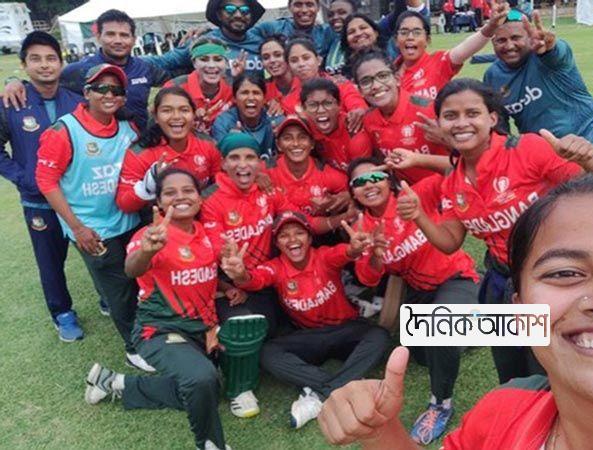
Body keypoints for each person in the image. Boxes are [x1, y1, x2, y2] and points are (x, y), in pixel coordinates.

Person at [317, 173, 593, 449]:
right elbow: (376, 273)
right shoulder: (501, 408)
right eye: (564, 273)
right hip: (438, 289)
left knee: (439, 330)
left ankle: (439, 400)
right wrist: (382, 431)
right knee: (430, 335)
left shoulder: (439, 186)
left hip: (458, 282)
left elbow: (448, 245)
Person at [393, 78, 593, 383]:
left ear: (492, 118)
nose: (461, 123)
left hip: (551, 282)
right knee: (511, 371)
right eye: (450, 116)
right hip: (501, 282)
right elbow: (450, 242)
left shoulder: (527, 149)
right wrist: (419, 216)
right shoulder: (452, 182)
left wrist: (587, 158)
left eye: (472, 113)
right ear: (439, 124)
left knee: (550, 369)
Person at [84, 169, 236, 450]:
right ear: (159, 203)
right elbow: (132, 269)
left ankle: (115, 383)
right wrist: (147, 251)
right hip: (158, 329)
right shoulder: (150, 235)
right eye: (170, 192)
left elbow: (203, 275)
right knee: (200, 379)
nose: (180, 197)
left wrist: (229, 284)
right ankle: (210, 444)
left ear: (199, 198)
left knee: (209, 389)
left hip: (200, 329)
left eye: (188, 190)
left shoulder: (206, 233)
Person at [348, 158, 480, 444]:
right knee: (421, 355)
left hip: (455, 277)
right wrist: (374, 256)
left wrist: (419, 159)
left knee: (440, 330)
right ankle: (474, 323)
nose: (369, 185)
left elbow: (456, 172)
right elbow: (368, 278)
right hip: (420, 292)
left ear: (389, 180)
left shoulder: (414, 194)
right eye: (359, 182)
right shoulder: (362, 229)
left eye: (376, 177)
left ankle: (440, 404)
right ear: (353, 193)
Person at [221, 210, 390, 430]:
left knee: (379, 335)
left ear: (310, 238)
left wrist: (355, 249)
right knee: (267, 353)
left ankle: (319, 395)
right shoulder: (275, 267)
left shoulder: (324, 256)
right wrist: (240, 275)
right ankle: (342, 385)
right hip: (310, 337)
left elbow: (344, 253)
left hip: (345, 329)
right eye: (284, 236)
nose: (292, 239)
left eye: (299, 233)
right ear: (277, 244)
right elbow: (255, 280)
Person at [35, 64, 154, 372]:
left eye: (116, 90)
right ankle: (134, 348)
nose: (109, 94)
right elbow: (46, 181)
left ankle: (151, 334)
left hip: (129, 219)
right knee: (119, 291)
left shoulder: (127, 127)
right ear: (86, 92)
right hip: (93, 229)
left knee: (140, 282)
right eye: (101, 88)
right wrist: (77, 227)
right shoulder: (64, 131)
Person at [201, 133, 355, 338]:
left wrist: (345, 217)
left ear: (259, 163)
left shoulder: (268, 191)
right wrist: (231, 270)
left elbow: (306, 222)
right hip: (235, 282)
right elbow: (215, 248)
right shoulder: (210, 200)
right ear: (223, 163)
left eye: (249, 157)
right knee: (258, 331)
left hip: (271, 275)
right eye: (234, 158)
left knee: (293, 322)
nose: (243, 164)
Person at [0, 32, 84, 341]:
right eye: (35, 59)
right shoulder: (10, 103)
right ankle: (62, 313)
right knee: (50, 262)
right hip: (38, 201)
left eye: (51, 58)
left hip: (76, 198)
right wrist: (23, 177)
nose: (45, 65)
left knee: (95, 250)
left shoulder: (77, 101)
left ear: (61, 63)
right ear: (24, 65)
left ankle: (107, 297)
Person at [3, 9, 170, 131]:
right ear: (98, 37)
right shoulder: (79, 70)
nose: (118, 40)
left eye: (124, 35)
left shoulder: (144, 67)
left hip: (139, 144)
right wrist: (15, 82)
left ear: (133, 39)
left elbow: (172, 82)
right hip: (98, 148)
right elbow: (46, 82)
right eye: (110, 34)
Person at [482, 10, 593, 155]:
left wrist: (550, 47)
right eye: (501, 40)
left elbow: (559, 53)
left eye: (516, 38)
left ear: (529, 37)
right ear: (493, 43)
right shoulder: (492, 75)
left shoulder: (546, 57)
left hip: (583, 140)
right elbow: (500, 124)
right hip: (541, 151)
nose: (509, 46)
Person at [117, 87, 222, 215]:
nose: (176, 116)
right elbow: (124, 204)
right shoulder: (140, 153)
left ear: (194, 115)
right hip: (158, 222)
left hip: (204, 215)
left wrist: (195, 201)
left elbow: (222, 183)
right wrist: (148, 186)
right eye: (167, 110)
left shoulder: (208, 145)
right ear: (155, 117)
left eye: (184, 110)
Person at [352, 50, 449, 184]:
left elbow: (467, 162)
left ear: (397, 79)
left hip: (448, 188)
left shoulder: (429, 111)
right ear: (360, 91)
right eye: (366, 81)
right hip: (409, 191)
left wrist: (447, 139)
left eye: (383, 76)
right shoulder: (368, 120)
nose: (376, 86)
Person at [392, 4, 508, 100]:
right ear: (396, 40)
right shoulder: (388, 73)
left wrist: (491, 26)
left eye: (417, 32)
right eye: (404, 32)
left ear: (427, 40)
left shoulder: (437, 63)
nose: (410, 37)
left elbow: (465, 49)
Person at [144, 0, 267, 77]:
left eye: (245, 10)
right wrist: (132, 61)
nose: (238, 15)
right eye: (230, 9)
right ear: (219, 14)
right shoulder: (204, 41)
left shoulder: (261, 42)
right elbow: (164, 61)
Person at [266, 116, 351, 217]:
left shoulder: (325, 173)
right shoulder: (267, 170)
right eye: (287, 138)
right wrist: (257, 177)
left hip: (320, 226)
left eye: (302, 137)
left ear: (312, 143)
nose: (296, 143)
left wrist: (342, 198)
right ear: (278, 145)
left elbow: (356, 190)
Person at [281, 38, 367, 134]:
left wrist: (358, 111)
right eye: (294, 61)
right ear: (288, 67)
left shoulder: (341, 85)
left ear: (319, 60)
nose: (301, 64)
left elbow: (357, 106)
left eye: (306, 58)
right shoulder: (289, 102)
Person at [326, 0, 428, 76]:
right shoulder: (328, 38)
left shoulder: (387, 48)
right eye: (351, 32)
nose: (335, 17)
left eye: (342, 12)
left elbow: (400, 12)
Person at [164, 38, 236, 134]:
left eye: (218, 59)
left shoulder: (233, 89)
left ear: (226, 63)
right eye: (204, 59)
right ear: (194, 63)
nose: (211, 65)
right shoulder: (174, 88)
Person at [300, 78, 373, 172]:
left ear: (339, 105)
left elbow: (363, 176)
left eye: (328, 103)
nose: (321, 110)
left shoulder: (354, 131)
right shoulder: (304, 131)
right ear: (304, 109)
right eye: (313, 105)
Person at [211, 73, 276, 159]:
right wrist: (228, 143)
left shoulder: (275, 121)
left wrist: (279, 138)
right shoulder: (223, 122)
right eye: (244, 93)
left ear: (264, 99)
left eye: (256, 93)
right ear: (234, 99)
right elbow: (219, 159)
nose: (251, 98)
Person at [340, 14, 391, 79]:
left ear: (376, 33)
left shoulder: (393, 58)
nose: (358, 33)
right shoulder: (344, 74)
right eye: (351, 32)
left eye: (363, 28)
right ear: (347, 41)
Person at [259, 35, 293, 117]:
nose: (272, 60)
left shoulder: (305, 82)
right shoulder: (262, 91)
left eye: (278, 55)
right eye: (266, 58)